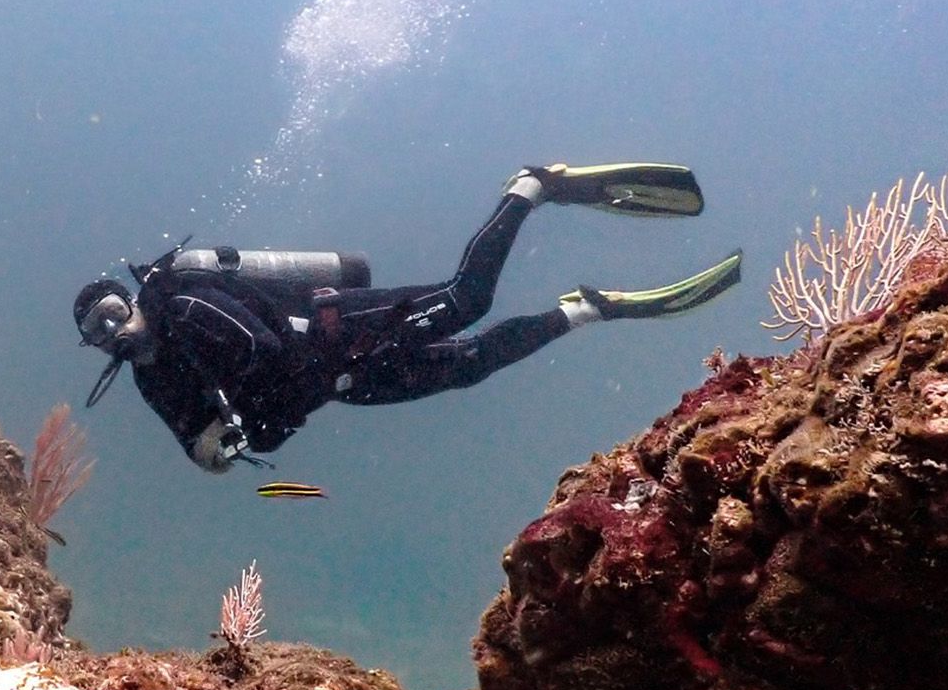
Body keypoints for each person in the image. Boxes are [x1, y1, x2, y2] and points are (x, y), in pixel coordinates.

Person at [72, 164, 743, 472]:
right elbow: (198, 447)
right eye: (96, 334)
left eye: (110, 314)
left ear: (129, 301)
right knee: (470, 367)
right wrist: (218, 447)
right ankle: (584, 309)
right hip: (341, 384)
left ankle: (529, 188)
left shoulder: (183, 304)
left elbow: (262, 348)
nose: (111, 333)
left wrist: (241, 412)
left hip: (341, 332)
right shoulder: (152, 379)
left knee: (466, 301)